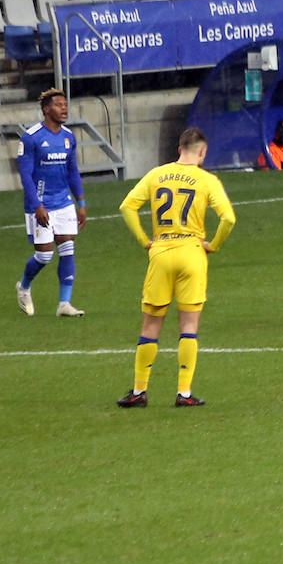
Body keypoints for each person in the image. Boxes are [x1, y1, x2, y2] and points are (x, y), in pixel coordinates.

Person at [117, 127, 236, 407]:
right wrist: (214, 245)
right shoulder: (207, 180)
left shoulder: (156, 175)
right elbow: (228, 219)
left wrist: (145, 241)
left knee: (150, 326)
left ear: (179, 148)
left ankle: (138, 392)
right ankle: (183, 393)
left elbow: (126, 207)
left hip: (161, 253)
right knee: (189, 326)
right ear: (202, 152)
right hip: (192, 253)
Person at [15, 88, 87, 318]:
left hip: (63, 202)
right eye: (59, 105)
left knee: (67, 248)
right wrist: (37, 205)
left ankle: (64, 304)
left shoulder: (69, 137)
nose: (64, 108)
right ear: (46, 109)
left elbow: (73, 171)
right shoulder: (31, 137)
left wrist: (81, 202)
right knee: (45, 255)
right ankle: (24, 286)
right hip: (40, 204)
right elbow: (25, 175)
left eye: (65, 104)